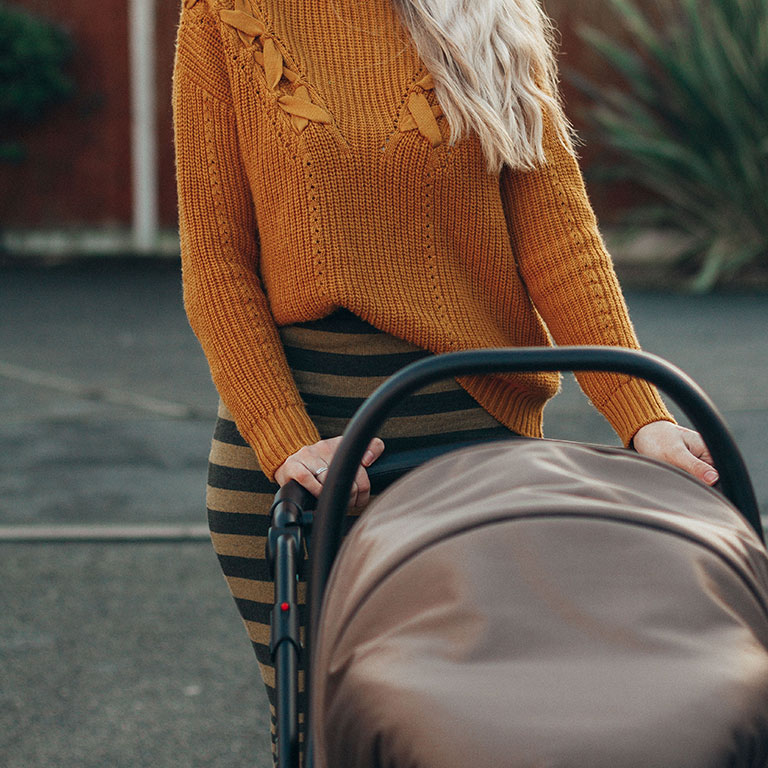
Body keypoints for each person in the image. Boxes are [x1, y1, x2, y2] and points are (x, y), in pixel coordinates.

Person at [173, 0, 717, 759]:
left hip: (472, 466)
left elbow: (560, 241)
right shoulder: (225, 16)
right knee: (321, 740)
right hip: (300, 466)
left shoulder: (492, 15)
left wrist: (642, 415)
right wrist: (284, 440)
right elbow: (217, 260)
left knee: (478, 739)